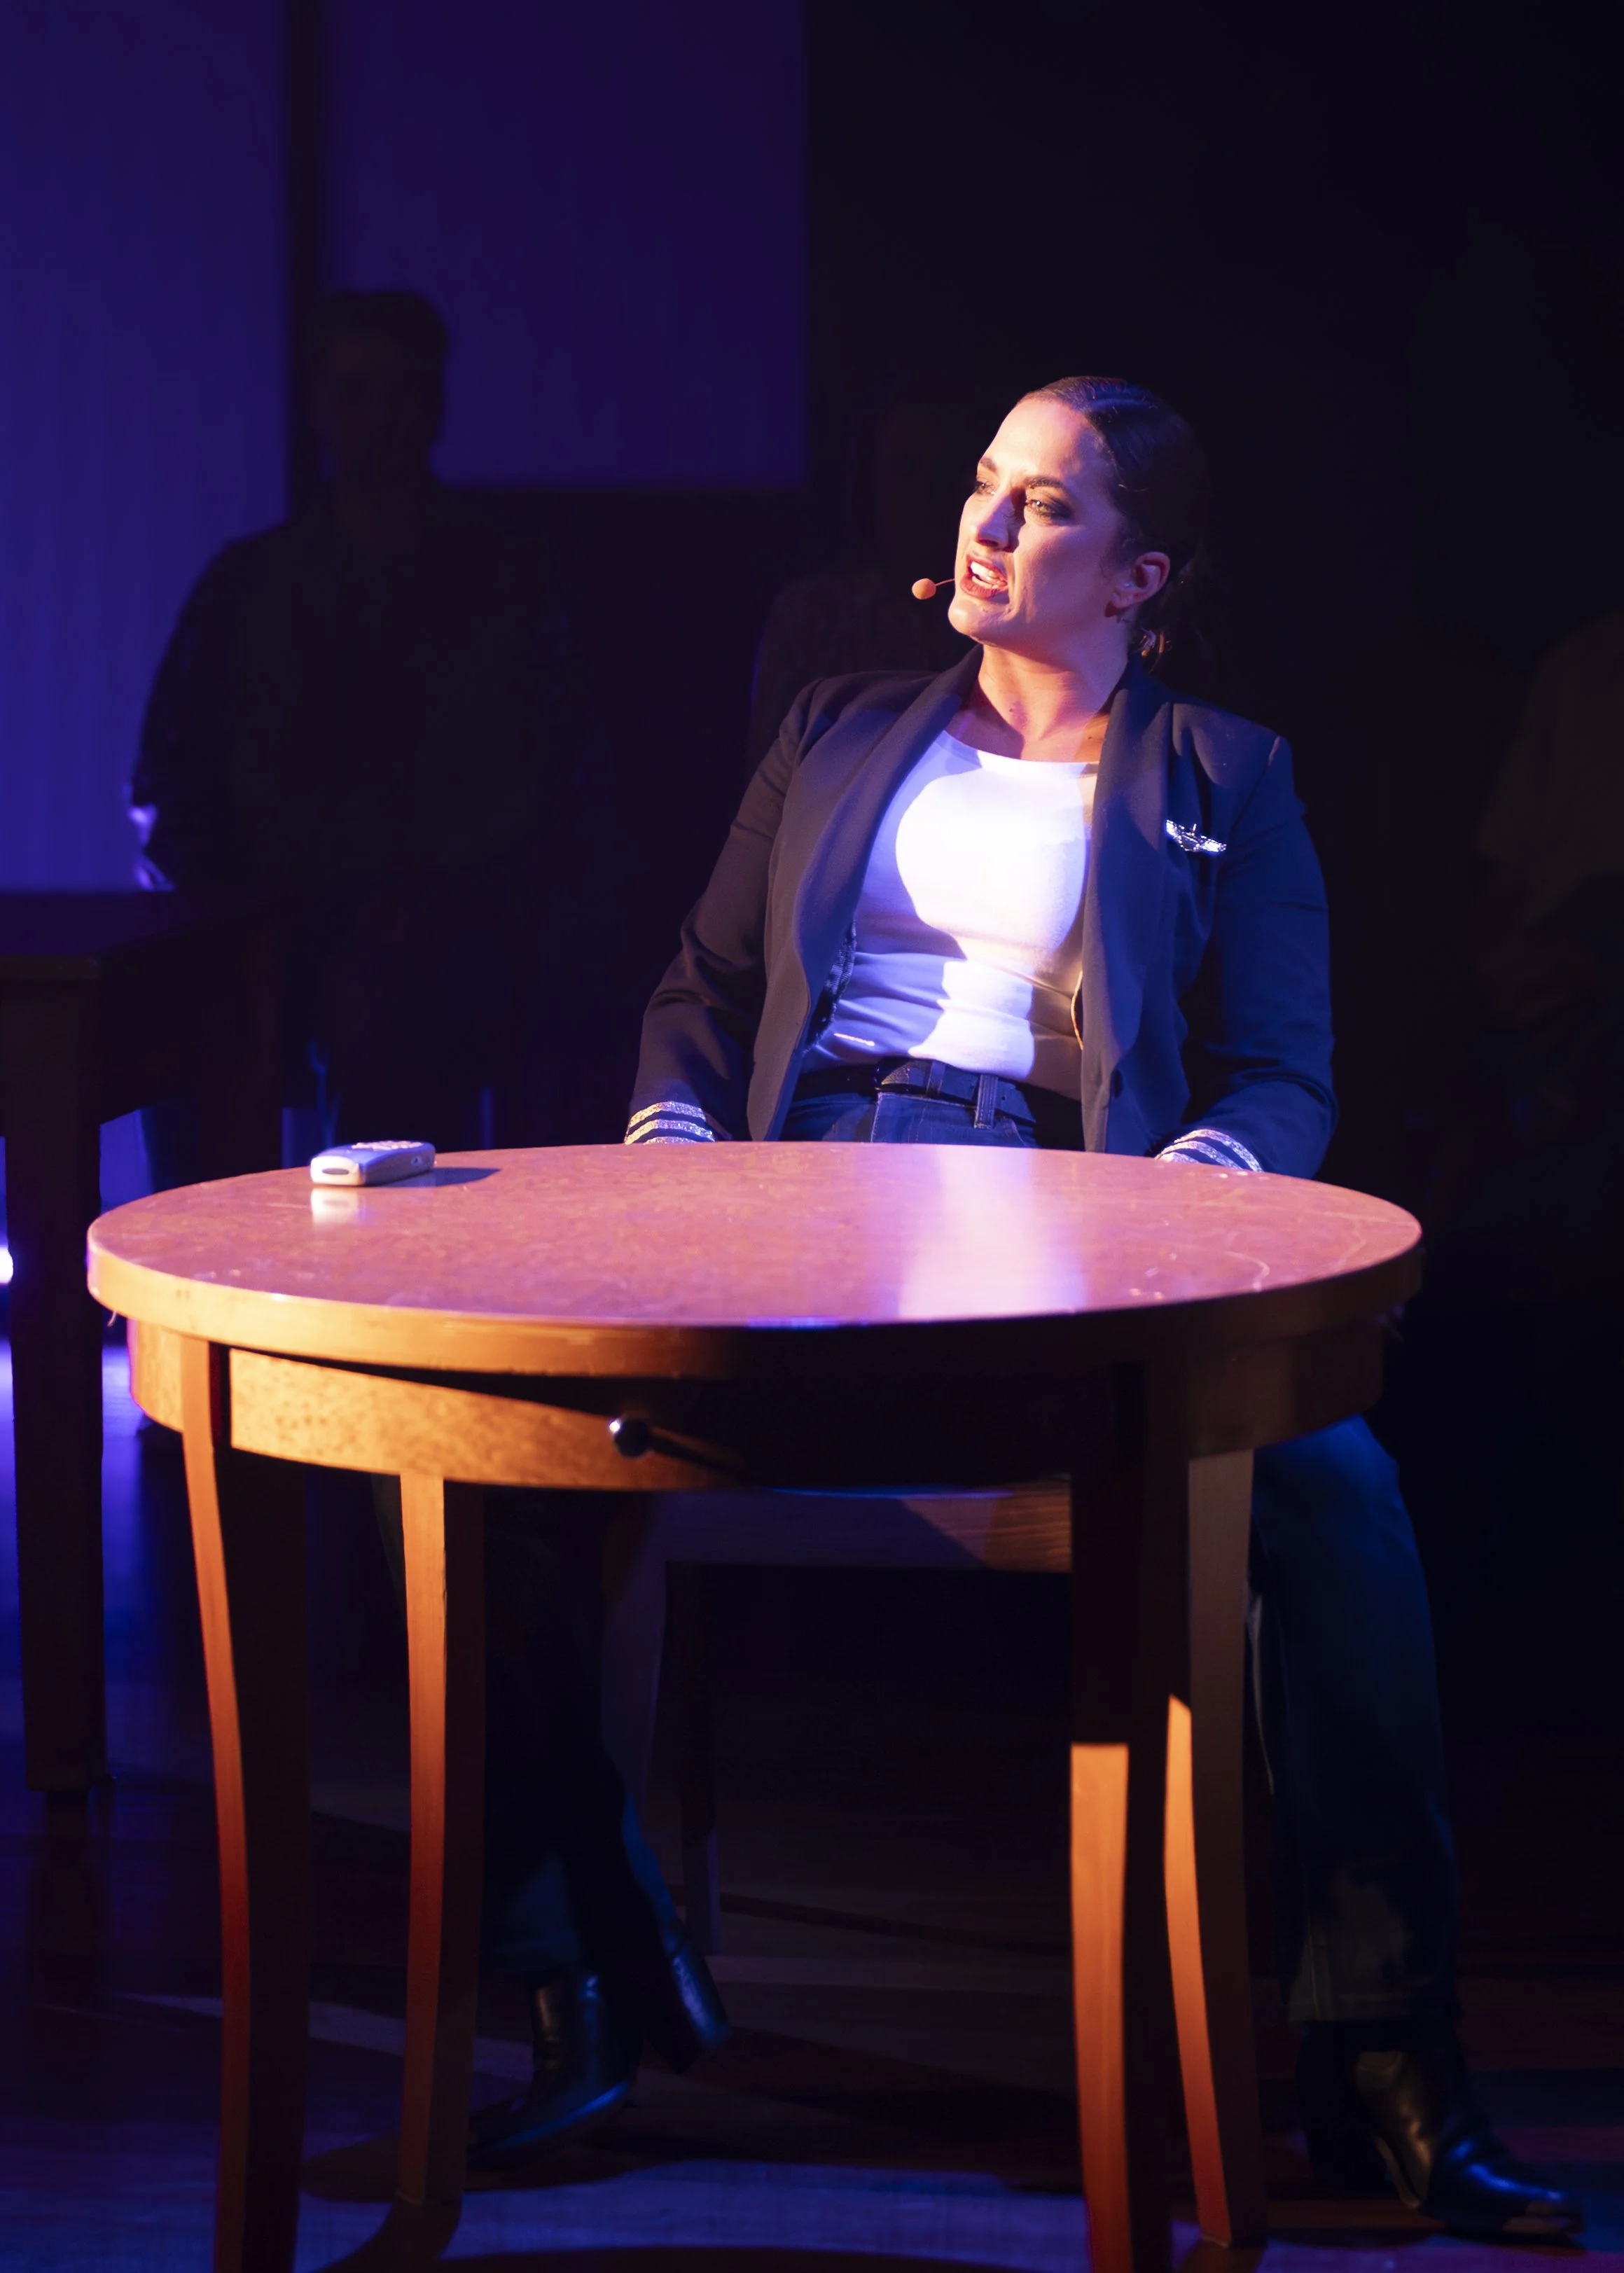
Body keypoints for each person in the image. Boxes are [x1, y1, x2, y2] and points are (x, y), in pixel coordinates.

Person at [625, 377, 1581, 2239]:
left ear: (1139, 570)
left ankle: (1380, 2047)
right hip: (807, 1196)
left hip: (1066, 1210)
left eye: (1040, 504)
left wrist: (1203, 1183)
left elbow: (1277, 1074)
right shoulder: (830, 727)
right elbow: (696, 985)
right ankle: (576, 1976)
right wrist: (671, 1130)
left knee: (1334, 1490)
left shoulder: (1225, 769)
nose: (984, 525)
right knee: (498, 1439)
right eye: (982, 486)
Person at [129, 289, 581, 1168]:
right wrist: (234, 914)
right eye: (355, 391)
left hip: (436, 923)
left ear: (436, 407)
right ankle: (196, 1276)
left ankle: (377, 1283)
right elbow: (168, 776)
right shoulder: (248, 584)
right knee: (185, 1006)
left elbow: (541, 776)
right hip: (258, 917)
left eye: (403, 391)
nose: (380, 416)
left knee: (387, 1004)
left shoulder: (500, 583)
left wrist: (433, 898)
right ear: (318, 410)